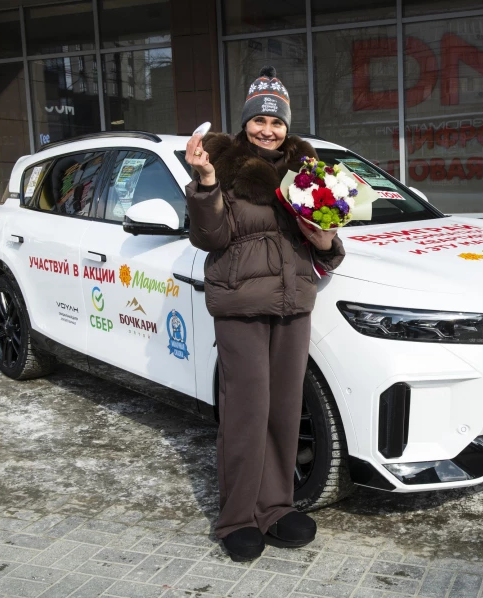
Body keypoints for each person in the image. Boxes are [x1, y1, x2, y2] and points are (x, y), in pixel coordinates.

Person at [183, 66, 345, 562]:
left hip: (294, 303)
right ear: (247, 121)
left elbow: (326, 241)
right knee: (245, 411)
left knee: (284, 409)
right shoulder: (223, 164)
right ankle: (236, 517)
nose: (267, 130)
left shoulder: (307, 167)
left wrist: (326, 237)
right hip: (240, 306)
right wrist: (206, 185)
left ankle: (275, 507)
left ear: (287, 125)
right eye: (259, 121)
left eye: (276, 122)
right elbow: (209, 238)